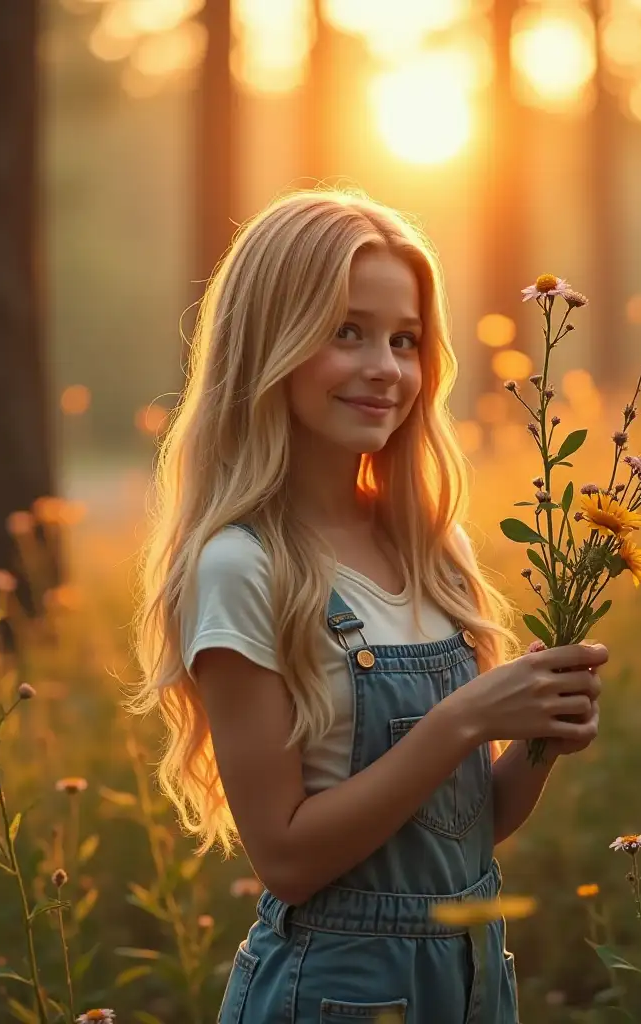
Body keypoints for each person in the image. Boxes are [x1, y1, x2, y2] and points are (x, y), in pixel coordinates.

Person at [128, 187, 606, 1023]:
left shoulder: (427, 548)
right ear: (268, 342)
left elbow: (469, 825)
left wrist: (537, 734)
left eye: (405, 340)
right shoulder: (243, 566)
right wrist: (463, 718)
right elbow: (285, 857)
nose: (386, 368)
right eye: (346, 332)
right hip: (335, 991)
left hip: (473, 978)